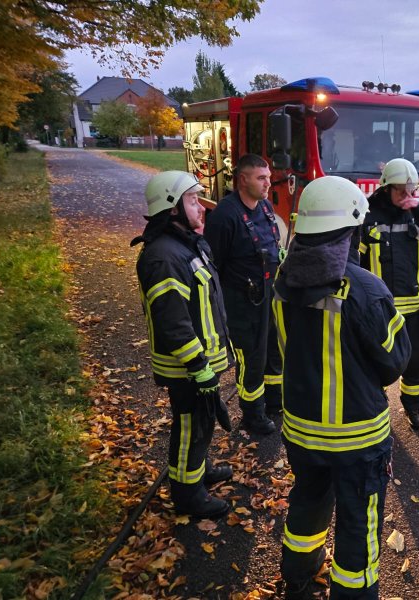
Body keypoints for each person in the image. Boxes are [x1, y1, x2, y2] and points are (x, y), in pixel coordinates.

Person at [274, 176, 411, 600]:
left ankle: (297, 575)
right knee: (357, 523)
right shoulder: (367, 291)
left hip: (300, 431)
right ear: (353, 227)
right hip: (357, 440)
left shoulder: (283, 280)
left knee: (308, 501)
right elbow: (394, 363)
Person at [132, 171, 233, 518]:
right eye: (193, 200)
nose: (201, 207)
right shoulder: (164, 257)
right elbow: (173, 322)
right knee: (191, 425)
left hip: (199, 364)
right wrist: (199, 367)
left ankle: (198, 473)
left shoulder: (185, 244)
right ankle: (188, 495)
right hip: (188, 367)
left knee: (200, 425)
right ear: (171, 208)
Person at [360, 158, 419, 429]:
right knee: (375, 363)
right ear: (386, 188)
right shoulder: (367, 216)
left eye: (412, 189)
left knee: (414, 365)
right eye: (401, 190)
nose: (407, 195)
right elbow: (354, 262)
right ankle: (376, 412)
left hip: (415, 310)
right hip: (379, 310)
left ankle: (414, 409)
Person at [204, 154, 282, 436]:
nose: (267, 183)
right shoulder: (225, 216)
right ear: (243, 179)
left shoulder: (265, 206)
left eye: (269, 176)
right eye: (261, 178)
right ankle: (253, 414)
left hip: (268, 295)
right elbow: (214, 266)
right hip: (241, 302)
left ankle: (274, 400)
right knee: (251, 358)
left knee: (273, 351)